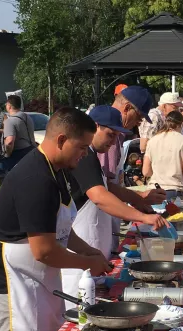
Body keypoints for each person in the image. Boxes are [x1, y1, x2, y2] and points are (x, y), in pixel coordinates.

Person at [0, 107, 113, 331]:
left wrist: (89, 251)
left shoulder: (58, 170)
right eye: (82, 146)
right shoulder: (36, 179)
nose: (85, 153)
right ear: (62, 140)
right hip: (9, 285)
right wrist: (87, 263)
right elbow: (44, 251)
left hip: (36, 279)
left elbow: (61, 227)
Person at [63, 105, 168, 307]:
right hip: (80, 254)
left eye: (116, 137)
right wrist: (143, 217)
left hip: (93, 248)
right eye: (110, 135)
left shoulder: (91, 155)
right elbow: (100, 196)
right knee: (78, 310)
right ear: (94, 127)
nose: (112, 142)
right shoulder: (84, 157)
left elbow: (108, 187)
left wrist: (140, 198)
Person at [96, 85, 153, 184]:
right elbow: (104, 184)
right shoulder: (108, 132)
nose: (139, 122)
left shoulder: (118, 133)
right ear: (127, 108)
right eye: (139, 117)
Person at [143, 110, 183, 200]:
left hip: (154, 190)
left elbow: (146, 172)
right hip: (174, 190)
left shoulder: (152, 141)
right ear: (182, 124)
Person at [3, 95, 37, 170]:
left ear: (9, 106)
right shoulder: (28, 117)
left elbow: (9, 142)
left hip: (17, 154)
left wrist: (8, 154)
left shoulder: (10, 121)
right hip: (31, 150)